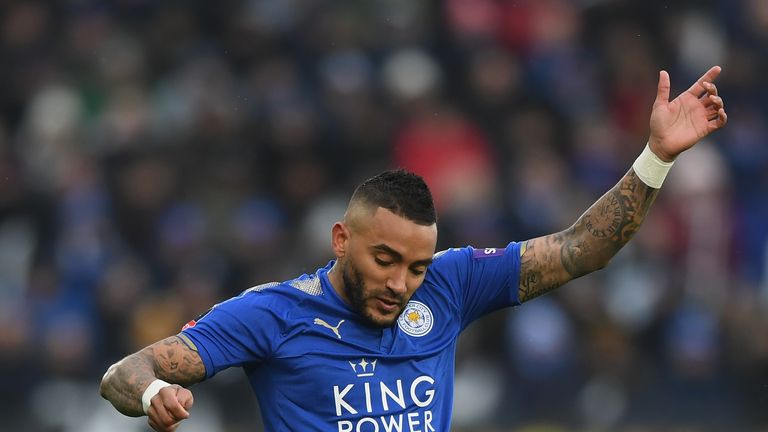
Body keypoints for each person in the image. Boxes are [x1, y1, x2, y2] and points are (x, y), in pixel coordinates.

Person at [100, 66, 727, 432]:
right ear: (342, 240)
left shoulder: (451, 284)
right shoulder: (272, 313)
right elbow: (123, 374)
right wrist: (155, 395)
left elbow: (579, 250)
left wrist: (656, 158)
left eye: (417, 266)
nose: (403, 283)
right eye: (385, 261)